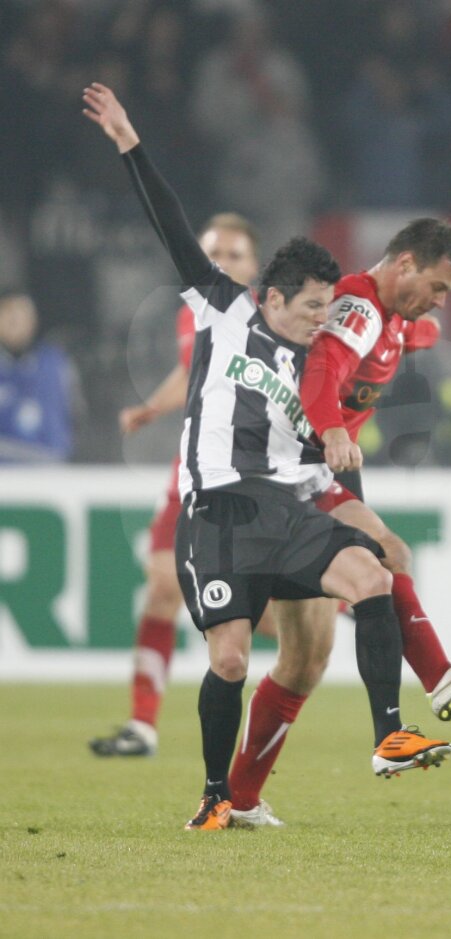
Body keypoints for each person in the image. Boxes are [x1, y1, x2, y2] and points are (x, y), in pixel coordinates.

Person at [84, 82, 450, 832]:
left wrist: (360, 497)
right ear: (274, 297)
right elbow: (173, 226)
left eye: (330, 307)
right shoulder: (224, 308)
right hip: (216, 510)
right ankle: (217, 794)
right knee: (228, 661)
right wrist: (130, 145)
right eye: (314, 306)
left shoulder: (321, 370)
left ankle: (389, 736)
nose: (325, 319)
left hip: (283, 512)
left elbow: (335, 449)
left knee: (373, 571)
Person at [299, 219, 451, 731]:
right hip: (305, 462)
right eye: (438, 287)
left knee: (377, 572)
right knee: (385, 562)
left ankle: (436, 680)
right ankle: (430, 687)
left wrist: (425, 330)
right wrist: (332, 431)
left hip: (332, 468)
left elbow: (413, 333)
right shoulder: (359, 308)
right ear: (405, 264)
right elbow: (323, 368)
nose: (440, 299)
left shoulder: (390, 317)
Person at [89, 212, 266, 758]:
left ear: (255, 266)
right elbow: (191, 369)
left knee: (282, 618)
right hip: (188, 476)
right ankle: (142, 725)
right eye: (214, 253)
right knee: (162, 590)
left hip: (250, 481)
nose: (223, 263)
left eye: (235, 254)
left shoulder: (268, 320)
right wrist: (151, 409)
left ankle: (359, 602)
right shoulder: (194, 313)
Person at [0, 288, 77, 463]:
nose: (16, 321)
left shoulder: (56, 363)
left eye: (22, 314)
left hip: (48, 475)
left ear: (33, 320)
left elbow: (76, 417)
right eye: (9, 314)